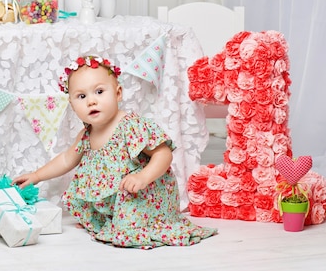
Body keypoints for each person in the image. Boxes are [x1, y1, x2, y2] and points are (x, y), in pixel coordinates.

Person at [13, 55, 217, 249]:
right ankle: (108, 218)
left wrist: (143, 176)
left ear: (118, 93)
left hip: (144, 196)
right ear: (72, 106)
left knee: (128, 223)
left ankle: (132, 222)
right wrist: (37, 175)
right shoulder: (86, 134)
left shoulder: (131, 126)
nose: (91, 101)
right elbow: (67, 159)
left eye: (99, 92)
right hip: (116, 199)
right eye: (81, 96)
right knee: (91, 200)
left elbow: (163, 153)